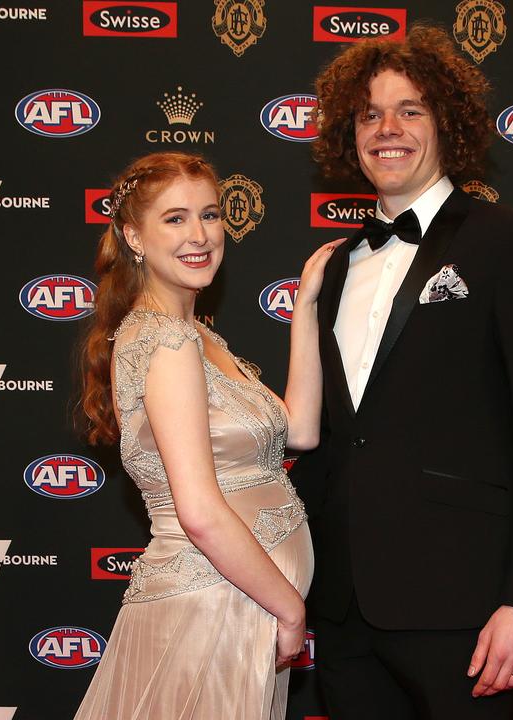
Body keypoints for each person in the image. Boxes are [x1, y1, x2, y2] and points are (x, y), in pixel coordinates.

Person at [288, 25, 513, 719]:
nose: (387, 129)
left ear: (447, 123)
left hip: (466, 608)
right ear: (347, 136)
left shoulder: (506, 242)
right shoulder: (331, 268)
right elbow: (327, 438)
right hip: (343, 607)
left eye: (410, 109)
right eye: (368, 114)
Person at [72, 151, 342, 720]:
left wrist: (305, 309)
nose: (199, 235)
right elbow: (198, 510)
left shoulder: (196, 335)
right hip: (210, 609)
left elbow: (301, 430)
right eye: (174, 218)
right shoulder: (166, 343)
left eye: (211, 215)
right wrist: (291, 610)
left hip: (238, 604)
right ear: (132, 236)